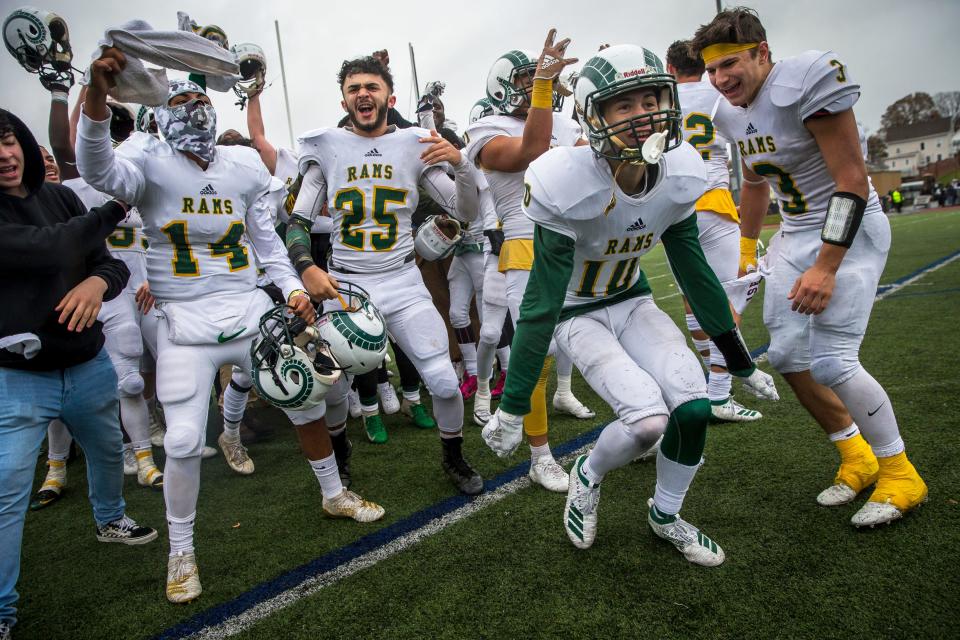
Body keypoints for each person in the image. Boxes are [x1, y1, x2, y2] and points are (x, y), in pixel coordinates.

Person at [77, 49, 383, 605]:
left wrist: (290, 287)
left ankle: (333, 492)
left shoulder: (241, 167)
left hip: (245, 309)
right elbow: (97, 168)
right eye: (181, 102)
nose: (194, 111)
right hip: (181, 321)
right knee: (187, 439)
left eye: (201, 101)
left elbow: (264, 238)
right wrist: (97, 96)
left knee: (308, 399)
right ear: (160, 115)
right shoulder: (147, 157)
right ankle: (181, 549)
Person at [481, 45, 778, 564]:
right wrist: (512, 405)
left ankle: (666, 515)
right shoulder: (563, 179)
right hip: (576, 311)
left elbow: (694, 272)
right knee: (646, 421)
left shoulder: (682, 172)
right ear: (594, 115)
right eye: (625, 106)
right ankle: (587, 474)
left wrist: (737, 359)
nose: (644, 116)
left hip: (631, 298)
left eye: (651, 99)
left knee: (692, 404)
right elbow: (541, 303)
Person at [691, 7, 927, 527]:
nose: (720, 79)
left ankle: (900, 471)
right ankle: (856, 455)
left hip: (848, 229)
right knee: (788, 355)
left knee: (832, 360)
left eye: (730, 63)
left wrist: (826, 265)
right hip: (793, 233)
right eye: (711, 70)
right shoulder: (727, 112)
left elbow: (852, 181)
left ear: (763, 53)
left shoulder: (805, 82)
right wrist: (749, 249)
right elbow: (754, 182)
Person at [286, 55, 485, 495]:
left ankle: (453, 456)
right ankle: (340, 458)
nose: (363, 94)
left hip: (402, 279)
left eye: (371, 86)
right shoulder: (327, 146)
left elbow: (466, 211)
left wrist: (464, 164)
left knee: (444, 382)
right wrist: (306, 267)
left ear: (388, 98)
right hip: (346, 286)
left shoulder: (415, 143)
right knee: (334, 391)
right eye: (354, 87)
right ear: (344, 99)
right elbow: (297, 223)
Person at [1, 108, 158, 635]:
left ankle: (110, 520)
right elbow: (56, 246)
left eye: (7, 142)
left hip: (86, 361)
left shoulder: (61, 197)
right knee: (6, 489)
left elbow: (108, 263)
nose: (4, 155)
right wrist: (117, 205)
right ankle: (2, 607)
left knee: (109, 450)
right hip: (19, 377)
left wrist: (98, 285)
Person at [464, 30, 594, 493]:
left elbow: (595, 164)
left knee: (599, 339)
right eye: (523, 79)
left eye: (535, 78)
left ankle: (637, 420)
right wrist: (542, 90)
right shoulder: (486, 127)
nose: (533, 84)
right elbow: (529, 152)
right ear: (501, 84)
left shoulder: (561, 121)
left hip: (578, 242)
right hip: (525, 245)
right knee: (537, 350)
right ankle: (540, 454)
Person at [665, 39, 763, 423]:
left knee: (694, 299)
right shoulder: (720, 93)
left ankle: (711, 379)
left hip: (675, 214)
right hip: (714, 202)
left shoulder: (663, 98)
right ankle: (719, 393)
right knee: (731, 301)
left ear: (671, 69)